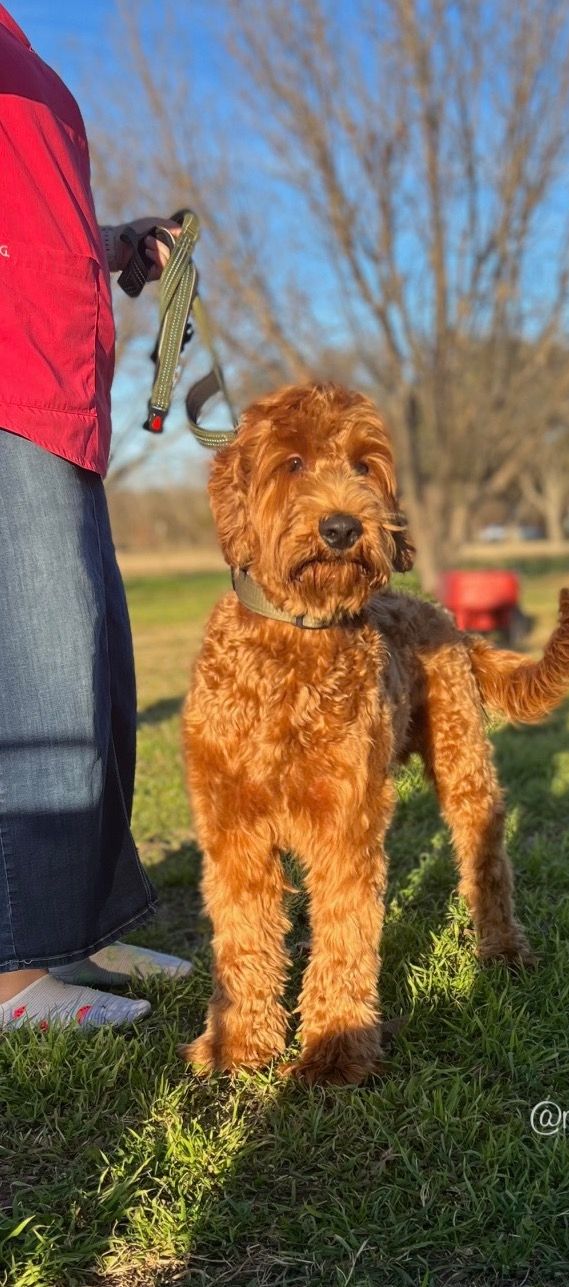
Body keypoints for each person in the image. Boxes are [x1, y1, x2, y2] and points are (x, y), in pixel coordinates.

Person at [0, 5, 190, 1028]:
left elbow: (32, 218)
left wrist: (112, 242)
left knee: (92, 680)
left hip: (64, 391)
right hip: (6, 386)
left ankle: (80, 925)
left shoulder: (19, 45)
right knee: (31, 685)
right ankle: (11, 973)